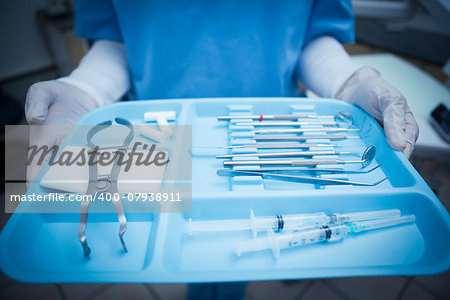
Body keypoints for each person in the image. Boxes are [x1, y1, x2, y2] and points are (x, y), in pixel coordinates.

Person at [24, 1, 419, 299]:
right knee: (190, 255)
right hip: (163, 133)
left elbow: (311, 36)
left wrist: (348, 81)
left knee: (233, 263)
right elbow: (118, 39)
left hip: (268, 134)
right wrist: (86, 88)